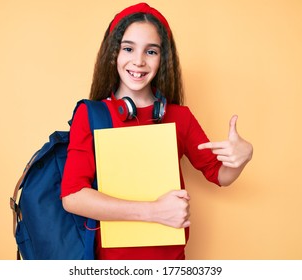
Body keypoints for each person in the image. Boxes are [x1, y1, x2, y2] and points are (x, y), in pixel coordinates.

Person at [61, 2, 253, 260]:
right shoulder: (92, 115)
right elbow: (72, 196)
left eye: (151, 51)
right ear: (113, 53)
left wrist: (243, 157)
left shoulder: (180, 117)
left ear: (163, 58)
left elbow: (219, 174)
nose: (138, 61)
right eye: (128, 48)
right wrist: (153, 211)